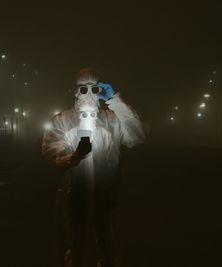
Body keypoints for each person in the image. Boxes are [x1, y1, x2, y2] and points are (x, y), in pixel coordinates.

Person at [42, 68, 146, 267]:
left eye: (94, 89)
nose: (89, 94)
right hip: (74, 195)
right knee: (76, 245)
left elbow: (137, 135)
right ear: (75, 91)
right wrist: (73, 157)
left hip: (106, 196)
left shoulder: (112, 119)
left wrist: (116, 101)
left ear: (101, 91)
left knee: (108, 245)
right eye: (83, 90)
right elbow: (52, 147)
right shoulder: (63, 120)